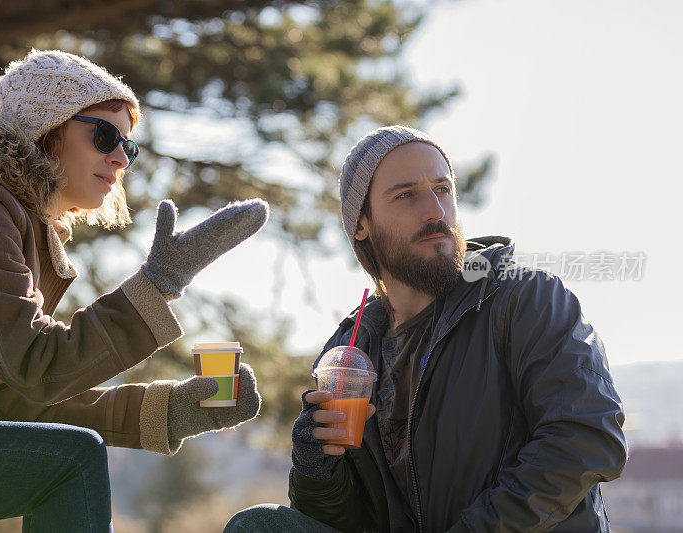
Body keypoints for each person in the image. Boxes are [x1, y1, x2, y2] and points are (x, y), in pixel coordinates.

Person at [0, 49, 268, 532]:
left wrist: (172, 411)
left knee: (68, 457)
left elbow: (25, 399)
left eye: (128, 148)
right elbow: (38, 367)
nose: (118, 158)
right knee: (72, 463)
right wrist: (158, 285)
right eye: (104, 135)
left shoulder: (1, 218)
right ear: (47, 128)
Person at [225, 126, 627, 532]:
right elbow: (346, 521)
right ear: (361, 223)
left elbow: (588, 437)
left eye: (442, 189)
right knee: (257, 526)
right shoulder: (351, 348)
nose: (435, 209)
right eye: (406, 194)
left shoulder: (525, 299)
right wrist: (317, 469)